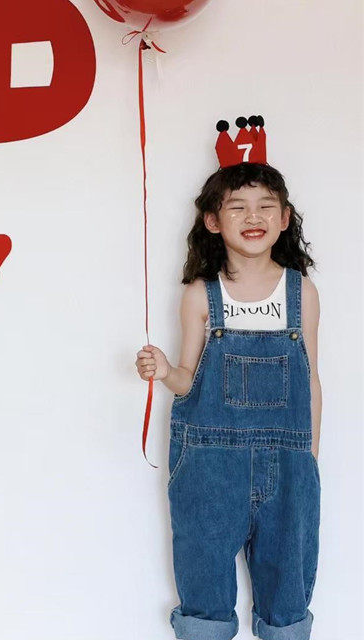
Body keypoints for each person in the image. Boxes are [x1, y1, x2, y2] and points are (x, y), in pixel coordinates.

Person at [135, 161, 321, 640]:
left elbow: (311, 379)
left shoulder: (300, 292)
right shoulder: (201, 294)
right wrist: (163, 370)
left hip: (289, 462)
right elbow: (188, 380)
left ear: (284, 218)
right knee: (204, 591)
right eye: (237, 207)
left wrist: (309, 459)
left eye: (266, 206)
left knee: (288, 594)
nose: (252, 216)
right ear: (213, 221)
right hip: (209, 464)